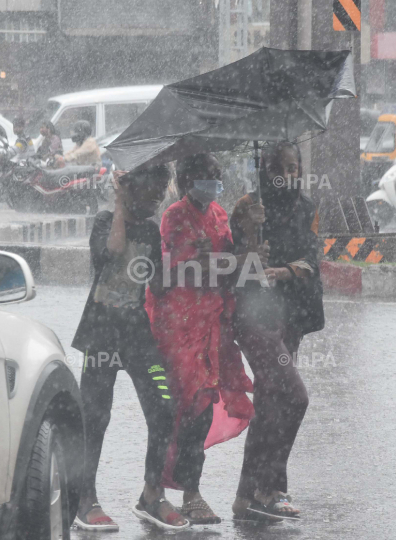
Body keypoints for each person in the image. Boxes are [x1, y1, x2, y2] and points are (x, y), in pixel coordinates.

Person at [145, 153, 264, 525]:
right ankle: (172, 490)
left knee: (203, 403)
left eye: (216, 177)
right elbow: (179, 267)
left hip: (213, 321)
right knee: (187, 406)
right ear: (185, 181)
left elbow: (232, 264)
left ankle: (188, 490)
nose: (212, 184)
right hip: (178, 322)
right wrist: (220, 263)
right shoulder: (174, 216)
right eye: (204, 177)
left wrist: (251, 236)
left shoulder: (220, 215)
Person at [71, 165, 188, 532]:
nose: (157, 197)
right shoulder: (106, 221)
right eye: (151, 190)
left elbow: (161, 286)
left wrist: (182, 249)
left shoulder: (153, 231)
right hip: (101, 335)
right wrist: (120, 203)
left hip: (137, 335)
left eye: (160, 192)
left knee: (164, 406)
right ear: (130, 187)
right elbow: (112, 252)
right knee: (96, 417)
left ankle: (151, 495)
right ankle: (83, 498)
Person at [230, 141, 325, 521]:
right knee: (295, 397)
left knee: (269, 405)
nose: (291, 174)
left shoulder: (306, 208)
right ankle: (270, 488)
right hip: (255, 315)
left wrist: (283, 271)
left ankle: (245, 496)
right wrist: (252, 235)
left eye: (295, 167)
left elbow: (312, 258)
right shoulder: (246, 207)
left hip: (292, 315)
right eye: (283, 167)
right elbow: (236, 265)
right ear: (267, 169)